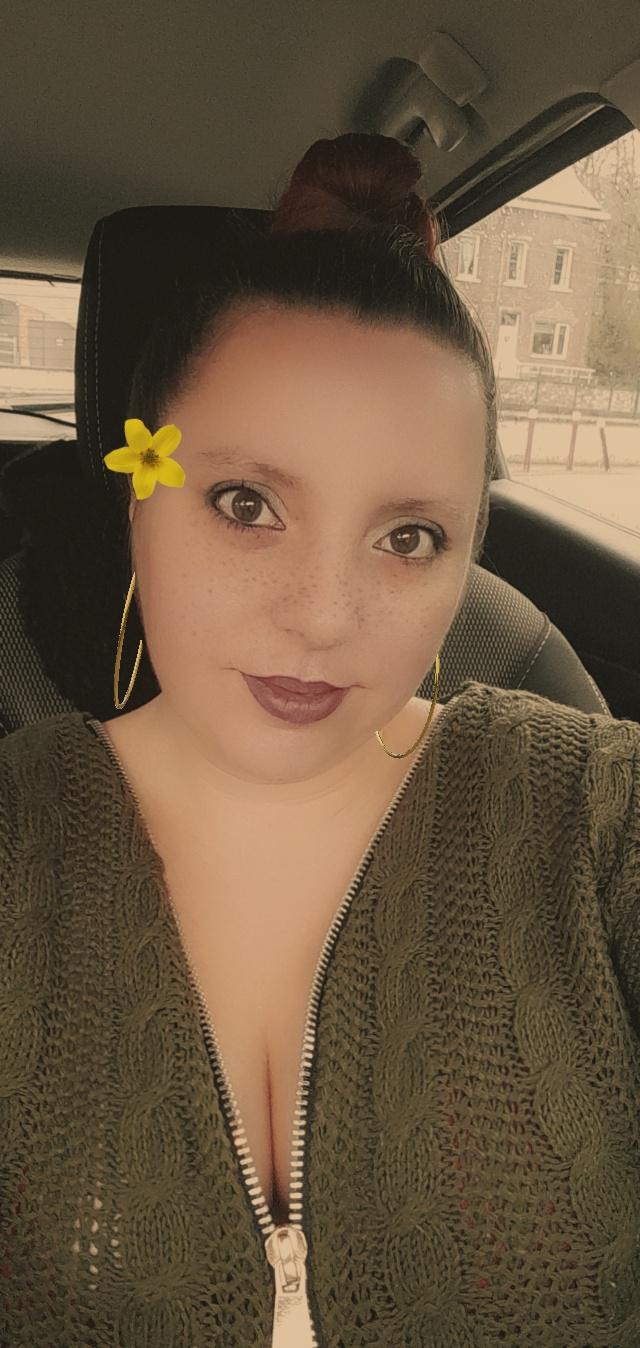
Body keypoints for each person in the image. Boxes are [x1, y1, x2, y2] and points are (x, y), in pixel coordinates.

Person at [1, 132, 639, 1347]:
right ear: (139, 494)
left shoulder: (594, 818)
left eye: (407, 538)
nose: (323, 618)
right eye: (246, 504)